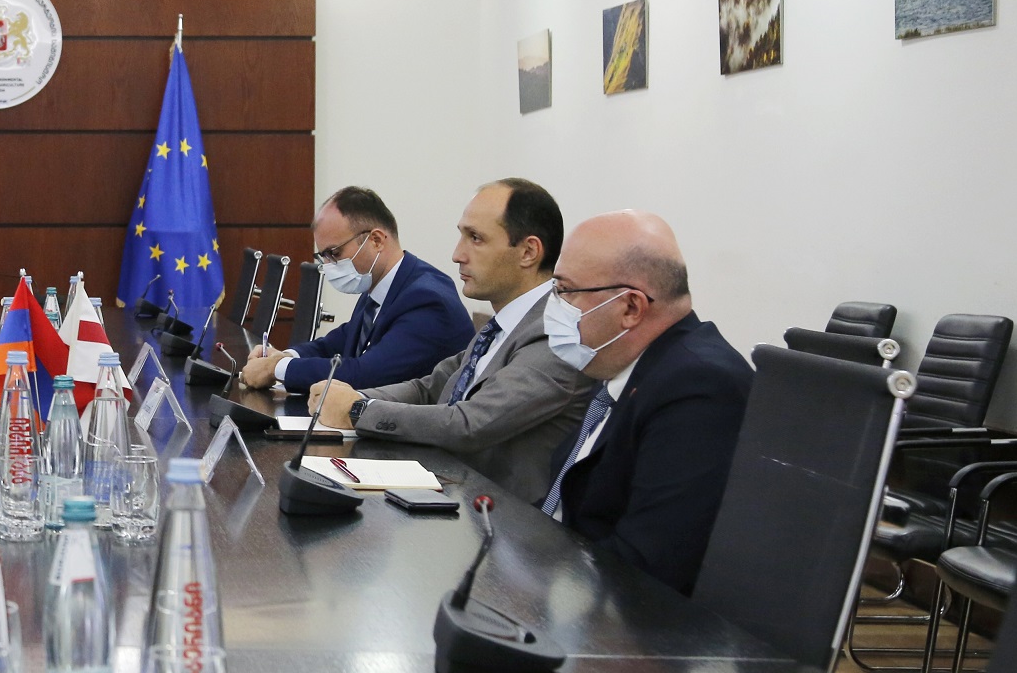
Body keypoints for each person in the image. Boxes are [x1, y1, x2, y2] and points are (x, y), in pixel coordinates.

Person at [304, 179, 593, 502]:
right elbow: (429, 388)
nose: (457, 255)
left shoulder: (556, 334)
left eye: (475, 238)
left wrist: (358, 410)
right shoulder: (505, 322)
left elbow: (470, 423)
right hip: (456, 492)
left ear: (528, 252)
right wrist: (349, 397)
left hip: (503, 519)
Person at [534, 210, 753, 594]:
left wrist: (537, 582)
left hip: (611, 612)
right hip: (560, 569)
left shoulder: (700, 388)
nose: (554, 306)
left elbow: (646, 565)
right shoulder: (621, 364)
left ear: (631, 308)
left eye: (565, 291)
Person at [240, 186, 473, 392]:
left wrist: (276, 369)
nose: (328, 265)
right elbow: (339, 342)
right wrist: (286, 356)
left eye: (335, 253)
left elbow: (366, 375)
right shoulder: (379, 286)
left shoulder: (426, 299)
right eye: (323, 256)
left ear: (376, 240)